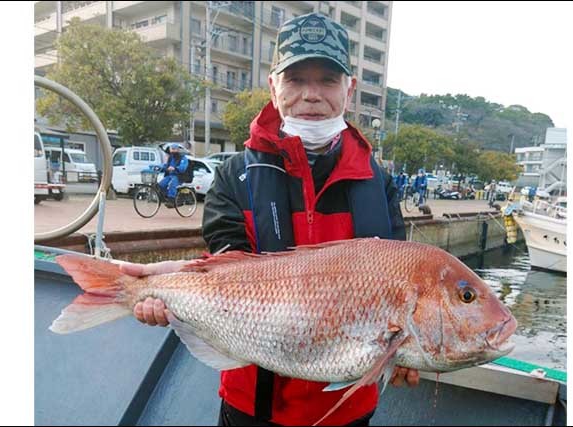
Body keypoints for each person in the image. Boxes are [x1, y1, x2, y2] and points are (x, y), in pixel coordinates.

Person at [122, 12, 418, 426]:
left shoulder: (379, 182)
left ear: (349, 89)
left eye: (328, 80)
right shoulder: (234, 175)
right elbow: (227, 272)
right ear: (273, 86)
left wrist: (407, 352)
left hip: (348, 410)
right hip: (252, 405)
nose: (311, 95)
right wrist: (168, 293)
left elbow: (399, 283)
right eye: (296, 79)